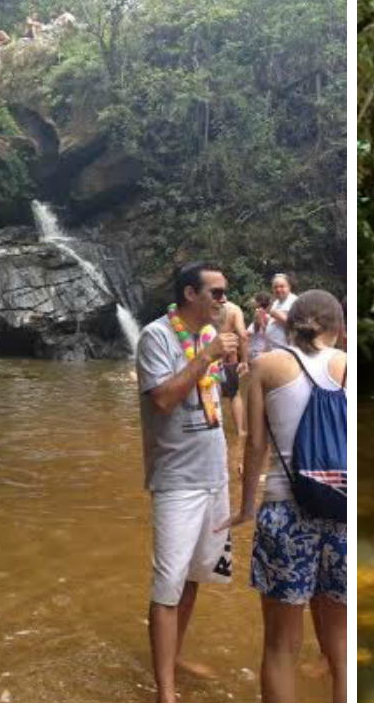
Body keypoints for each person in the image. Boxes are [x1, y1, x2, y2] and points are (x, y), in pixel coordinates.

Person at [217, 290, 348, 702]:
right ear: (339, 330)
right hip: (344, 514)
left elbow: (255, 445)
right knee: (341, 649)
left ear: (289, 326)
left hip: (285, 513)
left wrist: (244, 509)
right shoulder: (348, 365)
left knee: (280, 648)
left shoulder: (267, 365)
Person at [136, 262, 239, 703]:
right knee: (168, 583)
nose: (223, 301)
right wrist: (206, 358)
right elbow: (161, 399)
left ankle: (172, 659)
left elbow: (216, 395)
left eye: (224, 293)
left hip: (213, 474)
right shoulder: (156, 336)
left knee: (195, 576)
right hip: (177, 478)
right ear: (189, 294)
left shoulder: (208, 337)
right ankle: (166, 693)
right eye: (215, 293)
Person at [217, 300, 250, 443]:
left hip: (210, 355)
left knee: (213, 394)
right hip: (230, 356)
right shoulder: (234, 309)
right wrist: (244, 360)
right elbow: (242, 334)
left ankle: (217, 431)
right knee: (235, 395)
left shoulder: (205, 307)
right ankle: (240, 431)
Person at [264, 274, 298, 349]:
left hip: (287, 349)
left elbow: (295, 324)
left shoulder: (295, 302)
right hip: (273, 348)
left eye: (282, 286)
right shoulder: (276, 302)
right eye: (275, 287)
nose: (278, 290)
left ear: (289, 286)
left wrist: (274, 313)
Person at [247, 292, 274, 360]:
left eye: (254, 299)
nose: (251, 301)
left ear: (258, 302)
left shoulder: (262, 315)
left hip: (258, 353)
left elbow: (266, 333)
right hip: (255, 352)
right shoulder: (259, 314)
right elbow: (256, 331)